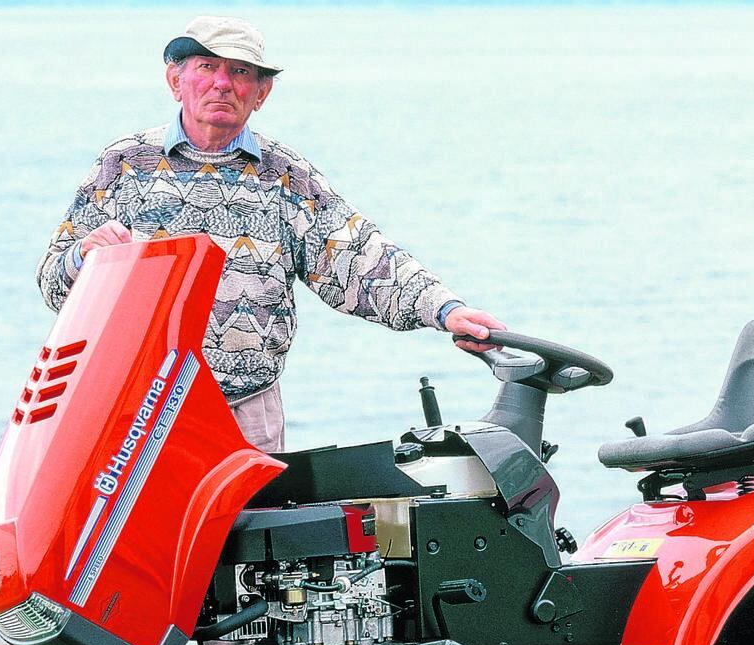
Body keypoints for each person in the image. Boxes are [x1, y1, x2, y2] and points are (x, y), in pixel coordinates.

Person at [35, 15, 503, 452]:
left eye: (240, 72)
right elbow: (54, 282)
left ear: (261, 92)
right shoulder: (123, 164)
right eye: (207, 67)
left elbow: (359, 259)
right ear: (175, 81)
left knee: (252, 537)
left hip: (247, 413)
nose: (222, 83)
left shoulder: (284, 177)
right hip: (135, 411)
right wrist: (83, 257)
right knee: (134, 540)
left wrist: (447, 311)